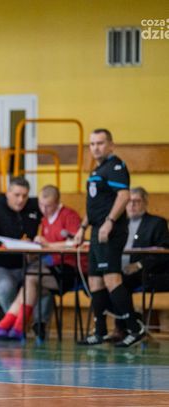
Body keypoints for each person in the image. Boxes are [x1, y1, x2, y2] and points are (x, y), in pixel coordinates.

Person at [0, 185, 84, 340]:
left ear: (57, 203)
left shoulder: (69, 215)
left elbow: (77, 243)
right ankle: (13, 328)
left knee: (31, 276)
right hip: (53, 267)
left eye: (48, 206)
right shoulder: (45, 219)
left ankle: (11, 327)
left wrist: (48, 245)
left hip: (71, 269)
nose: (44, 209)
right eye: (41, 205)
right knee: (29, 284)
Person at [74, 128, 145, 347]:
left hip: (110, 231)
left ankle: (134, 328)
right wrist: (82, 227)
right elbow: (95, 204)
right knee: (95, 281)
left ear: (111, 145)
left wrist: (110, 222)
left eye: (100, 143)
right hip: (97, 230)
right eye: (92, 144)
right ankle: (100, 331)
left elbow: (123, 196)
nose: (96, 148)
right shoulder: (98, 169)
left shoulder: (116, 166)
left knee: (112, 279)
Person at [0, 177, 53, 334]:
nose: (21, 200)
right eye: (16, 195)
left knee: (45, 283)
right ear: (7, 193)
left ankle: (39, 326)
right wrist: (15, 244)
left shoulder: (35, 205)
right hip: (0, 266)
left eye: (24, 196)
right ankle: (14, 325)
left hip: (28, 264)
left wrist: (38, 242)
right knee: (6, 286)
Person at [110, 187, 169, 339]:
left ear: (145, 203)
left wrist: (139, 265)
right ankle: (125, 321)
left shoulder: (157, 223)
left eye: (137, 201)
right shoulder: (118, 224)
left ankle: (124, 327)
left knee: (119, 282)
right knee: (101, 280)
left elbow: (163, 253)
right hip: (118, 268)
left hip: (146, 272)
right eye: (129, 202)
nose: (132, 205)